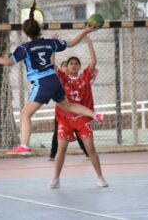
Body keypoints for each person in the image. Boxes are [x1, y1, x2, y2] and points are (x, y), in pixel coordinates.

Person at [0, 0, 103, 155]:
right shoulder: (50, 42)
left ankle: (24, 145)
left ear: (26, 32)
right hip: (54, 79)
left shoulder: (25, 47)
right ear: (40, 29)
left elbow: (9, 62)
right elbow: (72, 43)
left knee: (25, 114)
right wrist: (85, 31)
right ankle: (95, 115)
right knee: (69, 106)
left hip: (42, 82)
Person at [51, 36, 108, 189]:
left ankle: (100, 177)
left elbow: (93, 63)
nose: (74, 66)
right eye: (71, 63)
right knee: (61, 148)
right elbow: (52, 65)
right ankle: (56, 178)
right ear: (67, 67)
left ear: (79, 66)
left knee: (90, 148)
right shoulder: (62, 78)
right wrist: (54, 46)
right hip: (65, 119)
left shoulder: (85, 77)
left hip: (83, 119)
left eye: (76, 64)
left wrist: (90, 43)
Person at [49, 61, 89, 161]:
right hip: (62, 112)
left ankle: (87, 151)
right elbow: (52, 66)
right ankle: (53, 154)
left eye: (69, 66)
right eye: (65, 66)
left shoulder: (76, 79)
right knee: (57, 132)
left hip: (75, 111)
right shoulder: (59, 79)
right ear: (61, 69)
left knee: (79, 131)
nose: (67, 68)